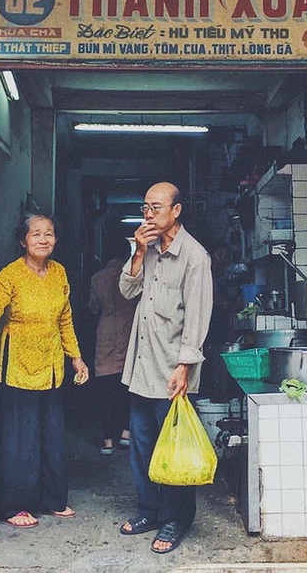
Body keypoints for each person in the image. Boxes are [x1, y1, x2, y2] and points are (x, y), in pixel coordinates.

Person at [118, 182, 213, 554]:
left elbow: (198, 318)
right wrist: (139, 253)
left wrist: (186, 366)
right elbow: (127, 292)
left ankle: (176, 518)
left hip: (173, 370)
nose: (148, 214)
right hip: (141, 365)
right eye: (145, 208)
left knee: (172, 449)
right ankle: (150, 510)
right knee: (140, 445)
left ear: (176, 211)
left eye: (156, 207)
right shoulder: (149, 249)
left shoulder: (195, 257)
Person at [0, 212, 89, 528]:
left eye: (49, 234)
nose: (44, 240)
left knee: (51, 436)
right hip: (18, 365)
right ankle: (13, 506)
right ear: (23, 240)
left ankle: (52, 499)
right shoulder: (11, 274)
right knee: (20, 439)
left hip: (52, 365)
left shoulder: (58, 273)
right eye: (36, 234)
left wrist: (76, 358)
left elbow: (65, 319)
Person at [88, 233, 137, 454]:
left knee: (105, 389)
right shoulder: (133, 275)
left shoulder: (97, 278)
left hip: (105, 334)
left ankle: (107, 440)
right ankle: (126, 432)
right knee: (127, 386)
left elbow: (93, 307)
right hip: (129, 332)